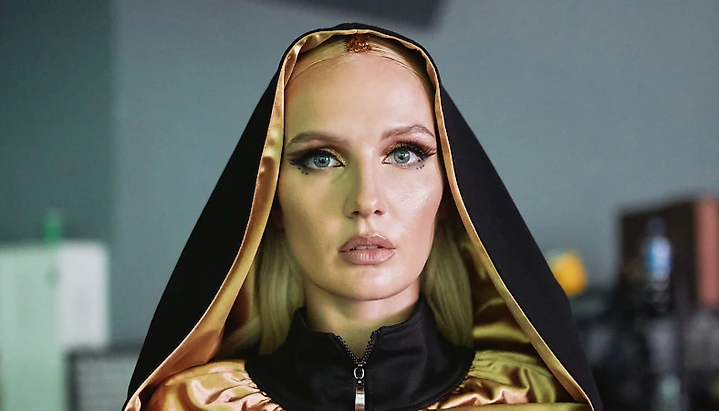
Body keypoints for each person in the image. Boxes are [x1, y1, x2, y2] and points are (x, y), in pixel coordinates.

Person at [123, 23, 602, 411]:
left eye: (405, 153)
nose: (366, 200)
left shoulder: (528, 400)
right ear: (272, 199)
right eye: (321, 159)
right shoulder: (190, 405)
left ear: (449, 193)